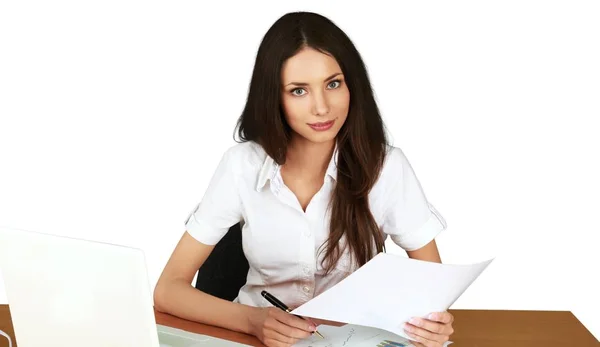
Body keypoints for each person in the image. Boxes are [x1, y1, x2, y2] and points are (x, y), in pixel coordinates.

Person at [154, 11, 454, 347]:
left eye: (333, 84)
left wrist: (433, 323)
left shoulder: (386, 167)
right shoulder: (242, 166)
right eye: (299, 91)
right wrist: (253, 321)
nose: (322, 108)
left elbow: (434, 291)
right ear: (274, 98)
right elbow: (167, 290)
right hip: (256, 340)